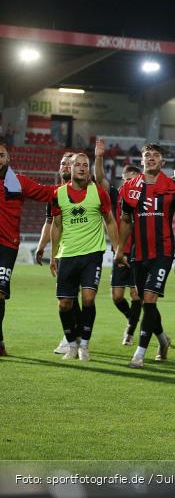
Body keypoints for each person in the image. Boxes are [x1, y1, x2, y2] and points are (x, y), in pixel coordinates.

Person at [115, 143, 175, 369]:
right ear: (142, 161)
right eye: (148, 155)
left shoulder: (174, 187)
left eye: (156, 155)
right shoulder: (129, 187)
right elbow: (126, 222)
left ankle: (139, 354)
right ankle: (163, 339)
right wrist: (119, 249)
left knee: (149, 299)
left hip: (163, 252)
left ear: (163, 161)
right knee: (146, 303)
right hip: (138, 253)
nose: (152, 158)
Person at [49, 153, 119, 361]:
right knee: (64, 304)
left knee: (88, 298)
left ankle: (85, 345)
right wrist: (53, 256)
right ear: (69, 169)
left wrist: (117, 248)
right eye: (77, 165)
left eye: (85, 165)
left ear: (89, 169)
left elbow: (110, 221)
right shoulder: (58, 194)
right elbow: (56, 225)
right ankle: (71, 344)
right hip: (67, 255)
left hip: (92, 255)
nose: (81, 168)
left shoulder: (99, 193)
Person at [0, 143, 59, 356]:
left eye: (1, 155)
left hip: (6, 245)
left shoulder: (19, 182)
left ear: (7, 158)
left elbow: (47, 193)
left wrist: (72, 187)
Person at [95, 139, 143, 345]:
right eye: (126, 178)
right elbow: (99, 180)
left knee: (136, 294)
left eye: (133, 177)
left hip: (138, 250)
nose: (129, 181)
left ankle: (131, 331)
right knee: (116, 297)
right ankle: (133, 319)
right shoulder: (115, 195)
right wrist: (98, 157)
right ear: (122, 180)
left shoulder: (144, 198)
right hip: (119, 250)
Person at [36, 152, 82, 354]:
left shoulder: (87, 190)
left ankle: (71, 336)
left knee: (73, 297)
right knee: (68, 297)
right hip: (63, 252)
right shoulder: (55, 194)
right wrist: (41, 246)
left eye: (68, 163)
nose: (64, 166)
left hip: (83, 250)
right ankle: (75, 335)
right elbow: (49, 223)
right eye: (62, 163)